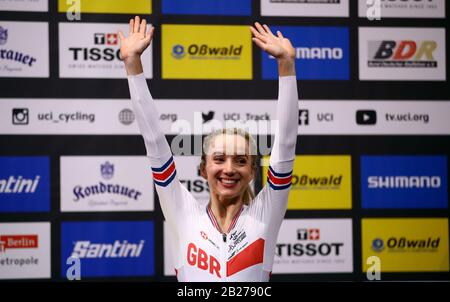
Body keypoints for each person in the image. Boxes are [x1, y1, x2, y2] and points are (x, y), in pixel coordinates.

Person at [119, 16, 298, 282]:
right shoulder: (183, 214)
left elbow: (285, 143)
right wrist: (132, 64)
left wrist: (286, 65)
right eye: (219, 159)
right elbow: (154, 141)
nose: (229, 168)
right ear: (203, 169)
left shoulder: (265, 216)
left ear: (252, 172)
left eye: (240, 161)